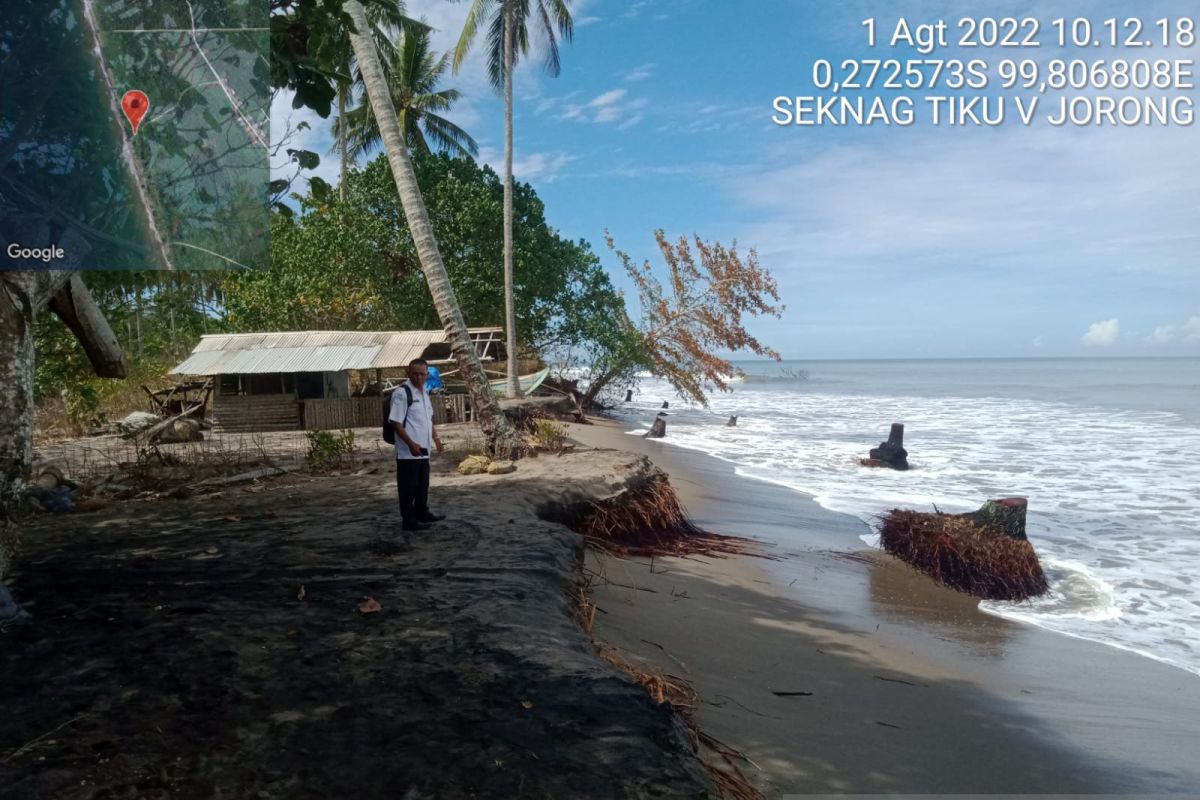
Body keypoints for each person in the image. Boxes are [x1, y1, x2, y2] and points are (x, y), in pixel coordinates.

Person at [389, 358, 445, 531]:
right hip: (408, 452)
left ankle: (422, 512)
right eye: (415, 374)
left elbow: (428, 419)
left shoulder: (424, 393)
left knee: (422, 484)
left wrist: (436, 439)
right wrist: (411, 444)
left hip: (424, 449)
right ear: (408, 373)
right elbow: (395, 422)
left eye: (422, 374)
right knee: (408, 487)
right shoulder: (402, 393)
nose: (419, 377)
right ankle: (409, 520)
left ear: (427, 375)